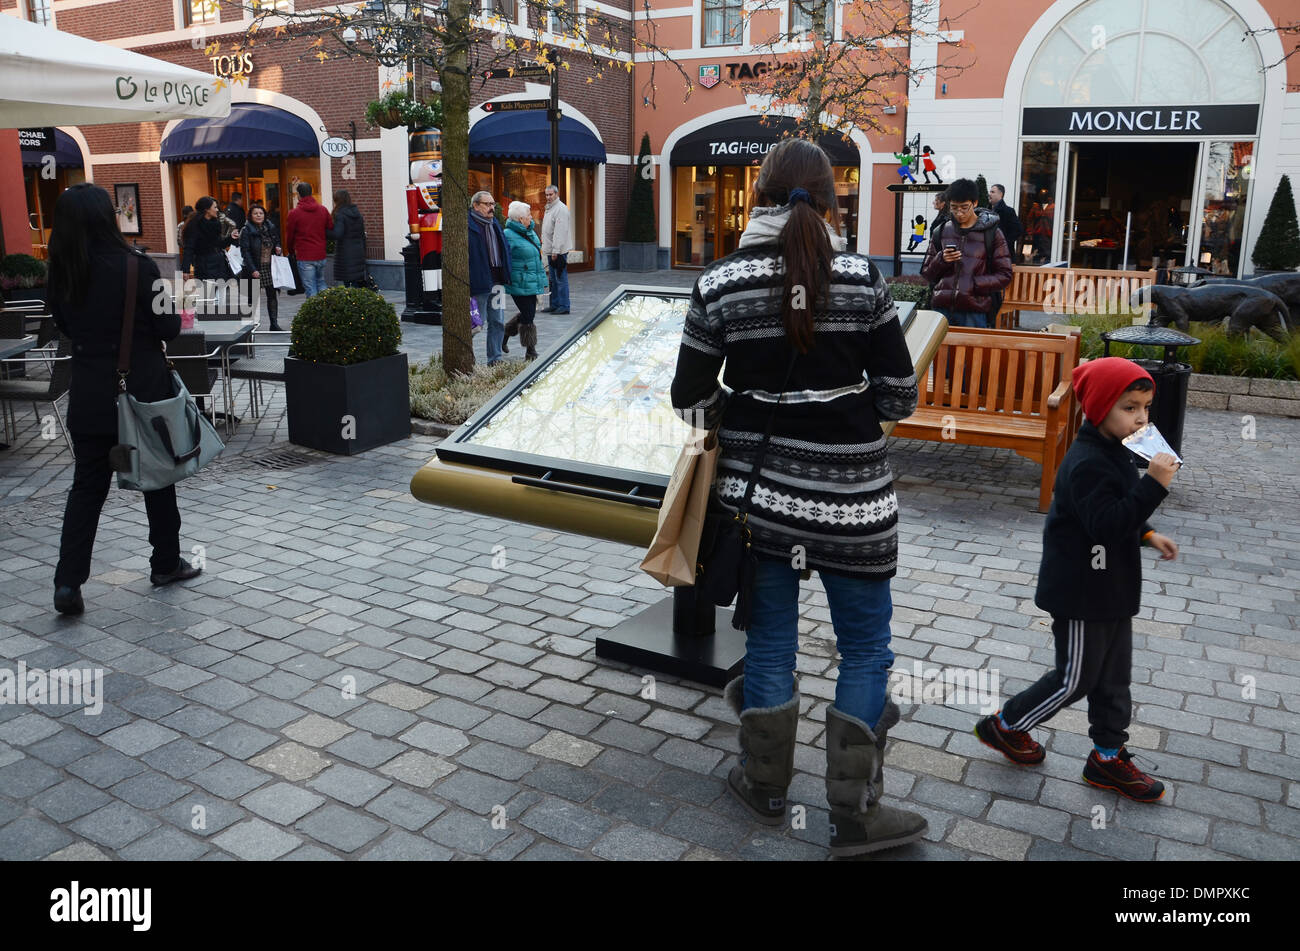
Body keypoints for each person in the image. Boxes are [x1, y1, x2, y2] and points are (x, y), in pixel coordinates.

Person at [670, 138, 925, 857]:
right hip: (856, 498)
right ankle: (855, 814)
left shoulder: (720, 282)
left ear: (759, 193)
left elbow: (688, 398)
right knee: (867, 645)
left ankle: (764, 785)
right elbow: (900, 396)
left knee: (773, 638)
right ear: (831, 195)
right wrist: (844, 403)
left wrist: (742, 413)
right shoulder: (863, 277)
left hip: (763, 502)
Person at [975, 357, 1180, 803]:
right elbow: (1105, 523)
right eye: (1129, 407)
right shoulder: (1088, 461)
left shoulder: (1116, 452)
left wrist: (1146, 534)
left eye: (1145, 406)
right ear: (1101, 407)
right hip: (1083, 591)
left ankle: (1107, 759)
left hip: (1113, 590)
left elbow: (1118, 513)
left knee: (1113, 679)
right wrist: (1155, 486)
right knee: (1075, 679)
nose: (1141, 417)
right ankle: (1005, 725)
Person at [47, 184, 202, 615]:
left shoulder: (62, 270)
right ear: (106, 218)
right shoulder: (137, 266)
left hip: (91, 395)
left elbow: (65, 324)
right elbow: (168, 327)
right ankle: (165, 563)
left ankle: (67, 583)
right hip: (143, 393)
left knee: (86, 488)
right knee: (159, 476)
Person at [921, 177, 1013, 328]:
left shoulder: (992, 233)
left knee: (972, 352)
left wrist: (974, 284)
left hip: (974, 311)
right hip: (941, 309)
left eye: (964, 207)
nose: (959, 213)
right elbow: (927, 273)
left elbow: (1005, 275)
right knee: (940, 352)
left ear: (975, 203)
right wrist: (941, 259)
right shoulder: (941, 231)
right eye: (954, 207)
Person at [468, 190, 512, 366]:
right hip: (479, 283)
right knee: (476, 325)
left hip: (497, 282)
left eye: (493, 204)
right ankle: (466, 359)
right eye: (487, 204)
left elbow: (504, 249)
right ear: (476, 206)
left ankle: (495, 359)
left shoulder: (494, 224)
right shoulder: (468, 225)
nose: (491, 208)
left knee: (498, 322)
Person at [501, 201, 548, 360]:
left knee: (528, 313)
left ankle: (506, 333)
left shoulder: (530, 231)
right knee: (528, 316)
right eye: (528, 215)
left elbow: (536, 257)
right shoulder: (507, 235)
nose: (531, 217)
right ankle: (530, 351)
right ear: (520, 219)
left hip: (532, 280)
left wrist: (542, 278)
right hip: (518, 281)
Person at [181, 196, 239, 313]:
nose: (217, 210)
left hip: (219, 262)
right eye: (215, 207)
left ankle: (219, 319)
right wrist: (186, 269)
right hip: (204, 263)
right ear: (207, 209)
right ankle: (207, 320)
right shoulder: (194, 225)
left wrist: (230, 238)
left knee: (222, 293)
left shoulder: (215, 223)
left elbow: (219, 244)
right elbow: (189, 248)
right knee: (207, 296)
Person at [284, 182, 333, 297]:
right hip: (320, 253)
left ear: (298, 195)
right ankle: (326, 308)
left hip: (305, 255)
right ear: (311, 193)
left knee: (310, 287)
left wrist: (291, 251)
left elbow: (289, 236)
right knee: (321, 283)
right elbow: (330, 227)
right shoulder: (323, 210)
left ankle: (315, 313)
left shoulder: (294, 213)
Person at [239, 203, 283, 331]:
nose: (258, 215)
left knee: (272, 295)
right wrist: (252, 269)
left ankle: (274, 324)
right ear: (250, 216)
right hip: (254, 267)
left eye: (261, 213)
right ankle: (249, 326)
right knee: (252, 298)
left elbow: (276, 241)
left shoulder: (270, 227)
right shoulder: (246, 230)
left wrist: (278, 248)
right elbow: (245, 252)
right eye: (255, 213)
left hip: (269, 266)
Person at [541, 184, 572, 314]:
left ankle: (564, 306)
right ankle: (554, 304)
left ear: (556, 194)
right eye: (546, 195)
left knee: (560, 279)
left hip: (558, 251)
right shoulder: (550, 209)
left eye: (550, 194)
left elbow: (560, 231)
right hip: (551, 250)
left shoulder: (560, 209)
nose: (548, 197)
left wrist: (556, 251)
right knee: (553, 279)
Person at [329, 189, 368, 289]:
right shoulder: (357, 213)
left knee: (349, 286)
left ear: (337, 200)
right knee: (355, 285)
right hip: (358, 253)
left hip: (346, 254)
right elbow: (362, 235)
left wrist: (323, 231)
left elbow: (338, 234)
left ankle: (354, 304)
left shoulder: (340, 214)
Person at [989, 183, 1023, 263]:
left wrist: (1003, 244)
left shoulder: (1008, 211)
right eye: (990, 192)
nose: (989, 194)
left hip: (1004, 256)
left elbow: (1018, 230)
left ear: (1000, 194)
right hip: (989, 256)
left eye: (992, 192)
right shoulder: (986, 212)